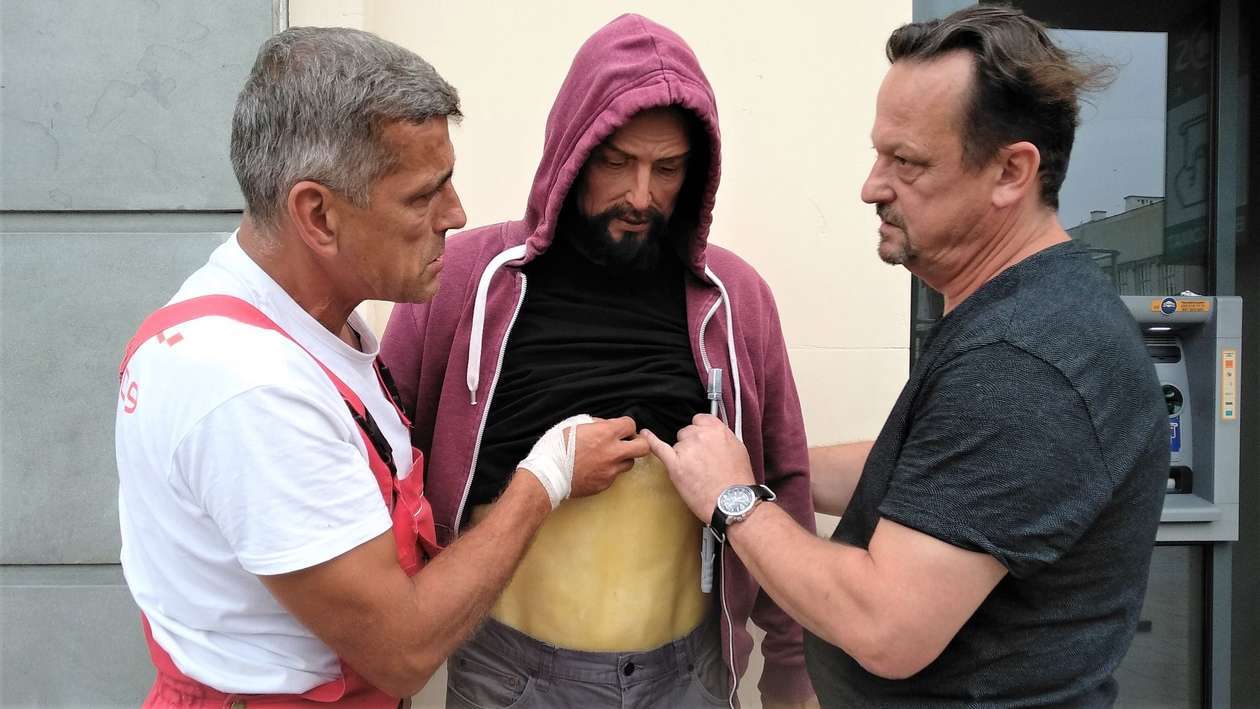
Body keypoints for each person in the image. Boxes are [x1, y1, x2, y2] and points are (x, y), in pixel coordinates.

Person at [645, 6, 1169, 708]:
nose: (872, 186)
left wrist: (734, 499)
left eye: (907, 162)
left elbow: (886, 626)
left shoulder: (1023, 359)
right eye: (878, 153)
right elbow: (937, 471)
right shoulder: (1025, 311)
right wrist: (772, 461)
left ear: (1011, 171)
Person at [115, 27, 646, 707]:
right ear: (318, 215)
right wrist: (546, 478)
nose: (456, 214)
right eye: (423, 196)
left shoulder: (301, 319)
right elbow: (402, 651)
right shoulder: (250, 387)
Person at [380, 13, 817, 709]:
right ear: (573, 150)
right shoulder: (466, 282)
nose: (641, 196)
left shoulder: (734, 298)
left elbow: (782, 481)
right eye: (617, 162)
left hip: (688, 678)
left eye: (667, 169)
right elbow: (384, 475)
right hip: (511, 680)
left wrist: (792, 669)